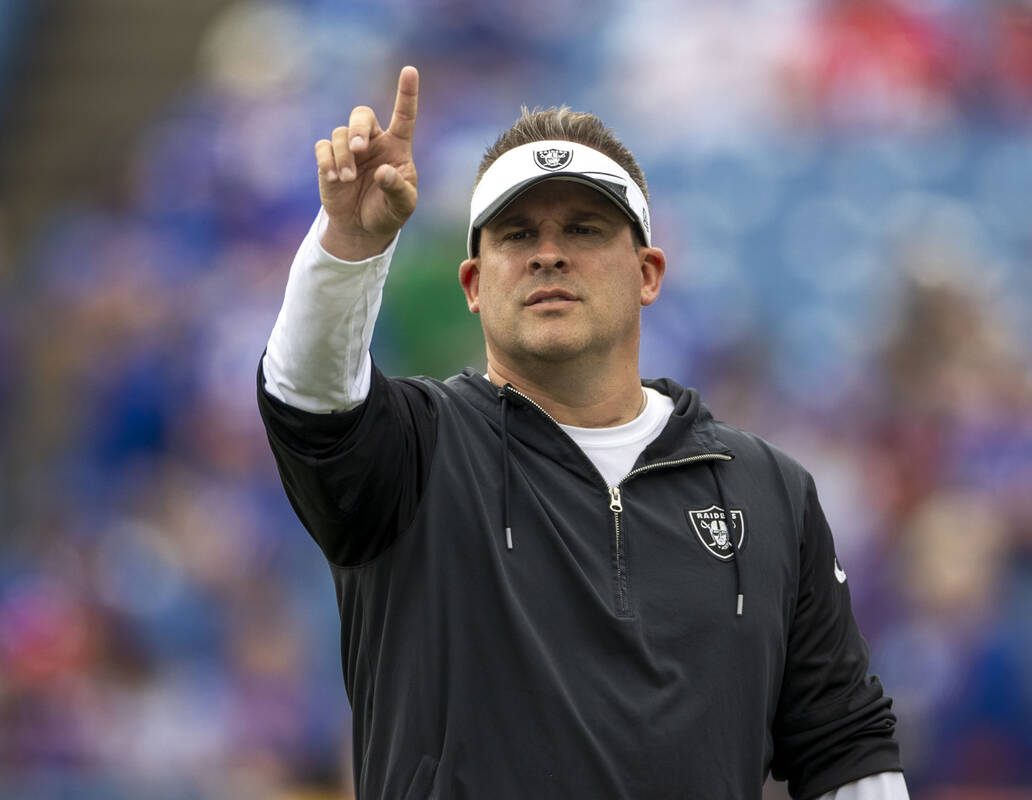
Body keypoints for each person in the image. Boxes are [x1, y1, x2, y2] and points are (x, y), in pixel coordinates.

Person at [257, 66, 908, 799]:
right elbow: (307, 397)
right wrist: (349, 241)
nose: (548, 253)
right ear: (474, 284)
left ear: (649, 272)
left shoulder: (769, 492)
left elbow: (845, 744)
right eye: (516, 233)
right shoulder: (413, 452)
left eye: (584, 228)